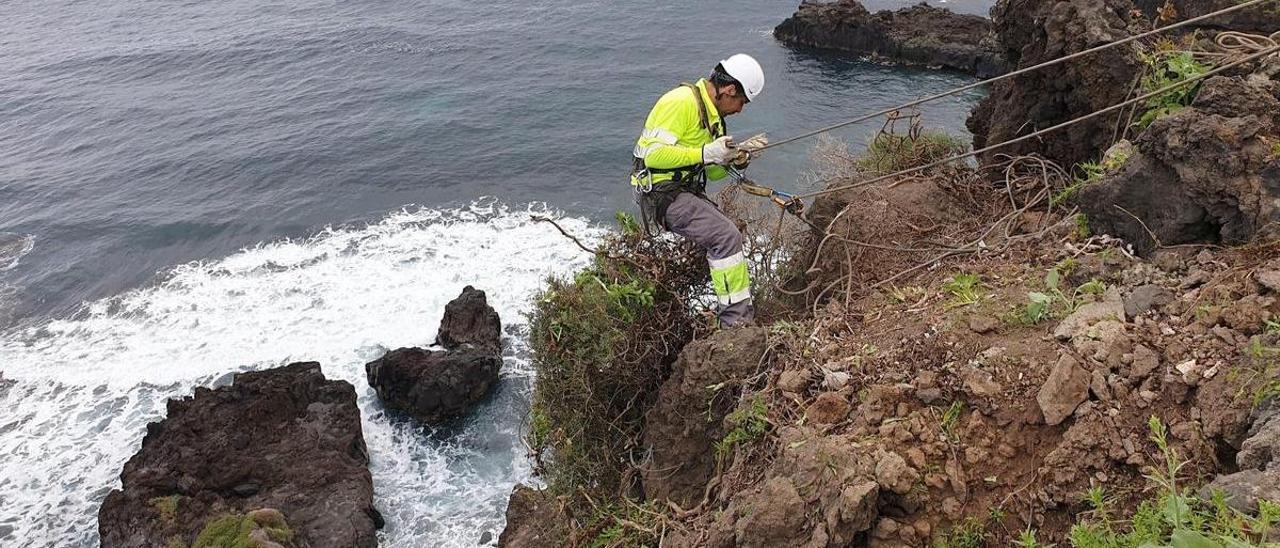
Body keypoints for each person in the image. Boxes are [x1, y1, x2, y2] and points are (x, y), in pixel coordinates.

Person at [630, 54, 764, 327]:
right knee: (726, 236)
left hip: (680, 190)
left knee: (729, 232)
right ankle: (736, 324)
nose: (740, 109)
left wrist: (737, 157)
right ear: (729, 90)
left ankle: (730, 314)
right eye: (741, 102)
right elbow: (653, 156)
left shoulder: (712, 117)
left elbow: (713, 171)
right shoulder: (681, 102)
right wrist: (705, 152)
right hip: (661, 192)